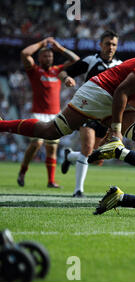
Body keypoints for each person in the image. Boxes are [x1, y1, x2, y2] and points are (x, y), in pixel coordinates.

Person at [0, 55, 135, 199]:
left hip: (113, 102)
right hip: (97, 92)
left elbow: (132, 103)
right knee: (51, 131)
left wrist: (110, 127)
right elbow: (121, 91)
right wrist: (116, 131)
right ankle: (2, 125)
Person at [58, 30, 123, 198]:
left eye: (114, 44)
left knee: (96, 158)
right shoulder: (90, 60)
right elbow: (64, 72)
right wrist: (67, 79)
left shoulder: (120, 65)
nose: (110, 47)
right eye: (107, 43)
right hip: (87, 110)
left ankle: (70, 156)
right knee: (87, 149)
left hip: (106, 117)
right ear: (100, 44)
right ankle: (78, 190)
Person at [17, 37, 79, 188]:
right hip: (37, 114)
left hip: (54, 114)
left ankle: (51, 181)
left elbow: (77, 61)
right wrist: (41, 44)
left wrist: (60, 48)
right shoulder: (34, 70)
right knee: (36, 144)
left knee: (52, 149)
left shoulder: (57, 71)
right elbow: (25, 53)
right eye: (45, 55)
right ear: (39, 57)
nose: (48, 58)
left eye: (50, 56)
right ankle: (23, 171)